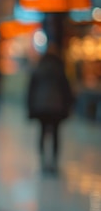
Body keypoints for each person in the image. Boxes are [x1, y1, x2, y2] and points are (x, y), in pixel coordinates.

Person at [26, 42, 74, 174]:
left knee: (42, 132)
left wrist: (30, 108)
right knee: (56, 134)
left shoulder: (38, 67)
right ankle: (53, 162)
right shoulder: (60, 68)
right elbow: (67, 90)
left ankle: (42, 160)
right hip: (56, 107)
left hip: (41, 107)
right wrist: (68, 106)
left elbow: (31, 89)